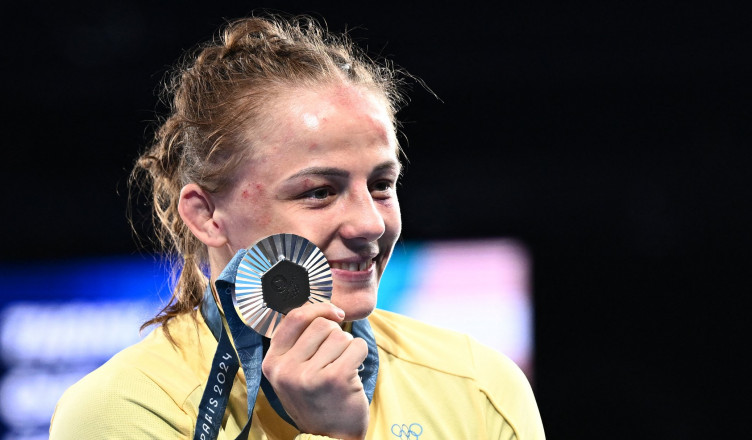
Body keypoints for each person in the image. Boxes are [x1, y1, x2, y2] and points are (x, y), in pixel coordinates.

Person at [49, 14, 545, 440]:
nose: (369, 223)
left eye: (380, 184)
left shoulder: (478, 386)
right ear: (206, 215)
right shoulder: (123, 409)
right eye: (319, 192)